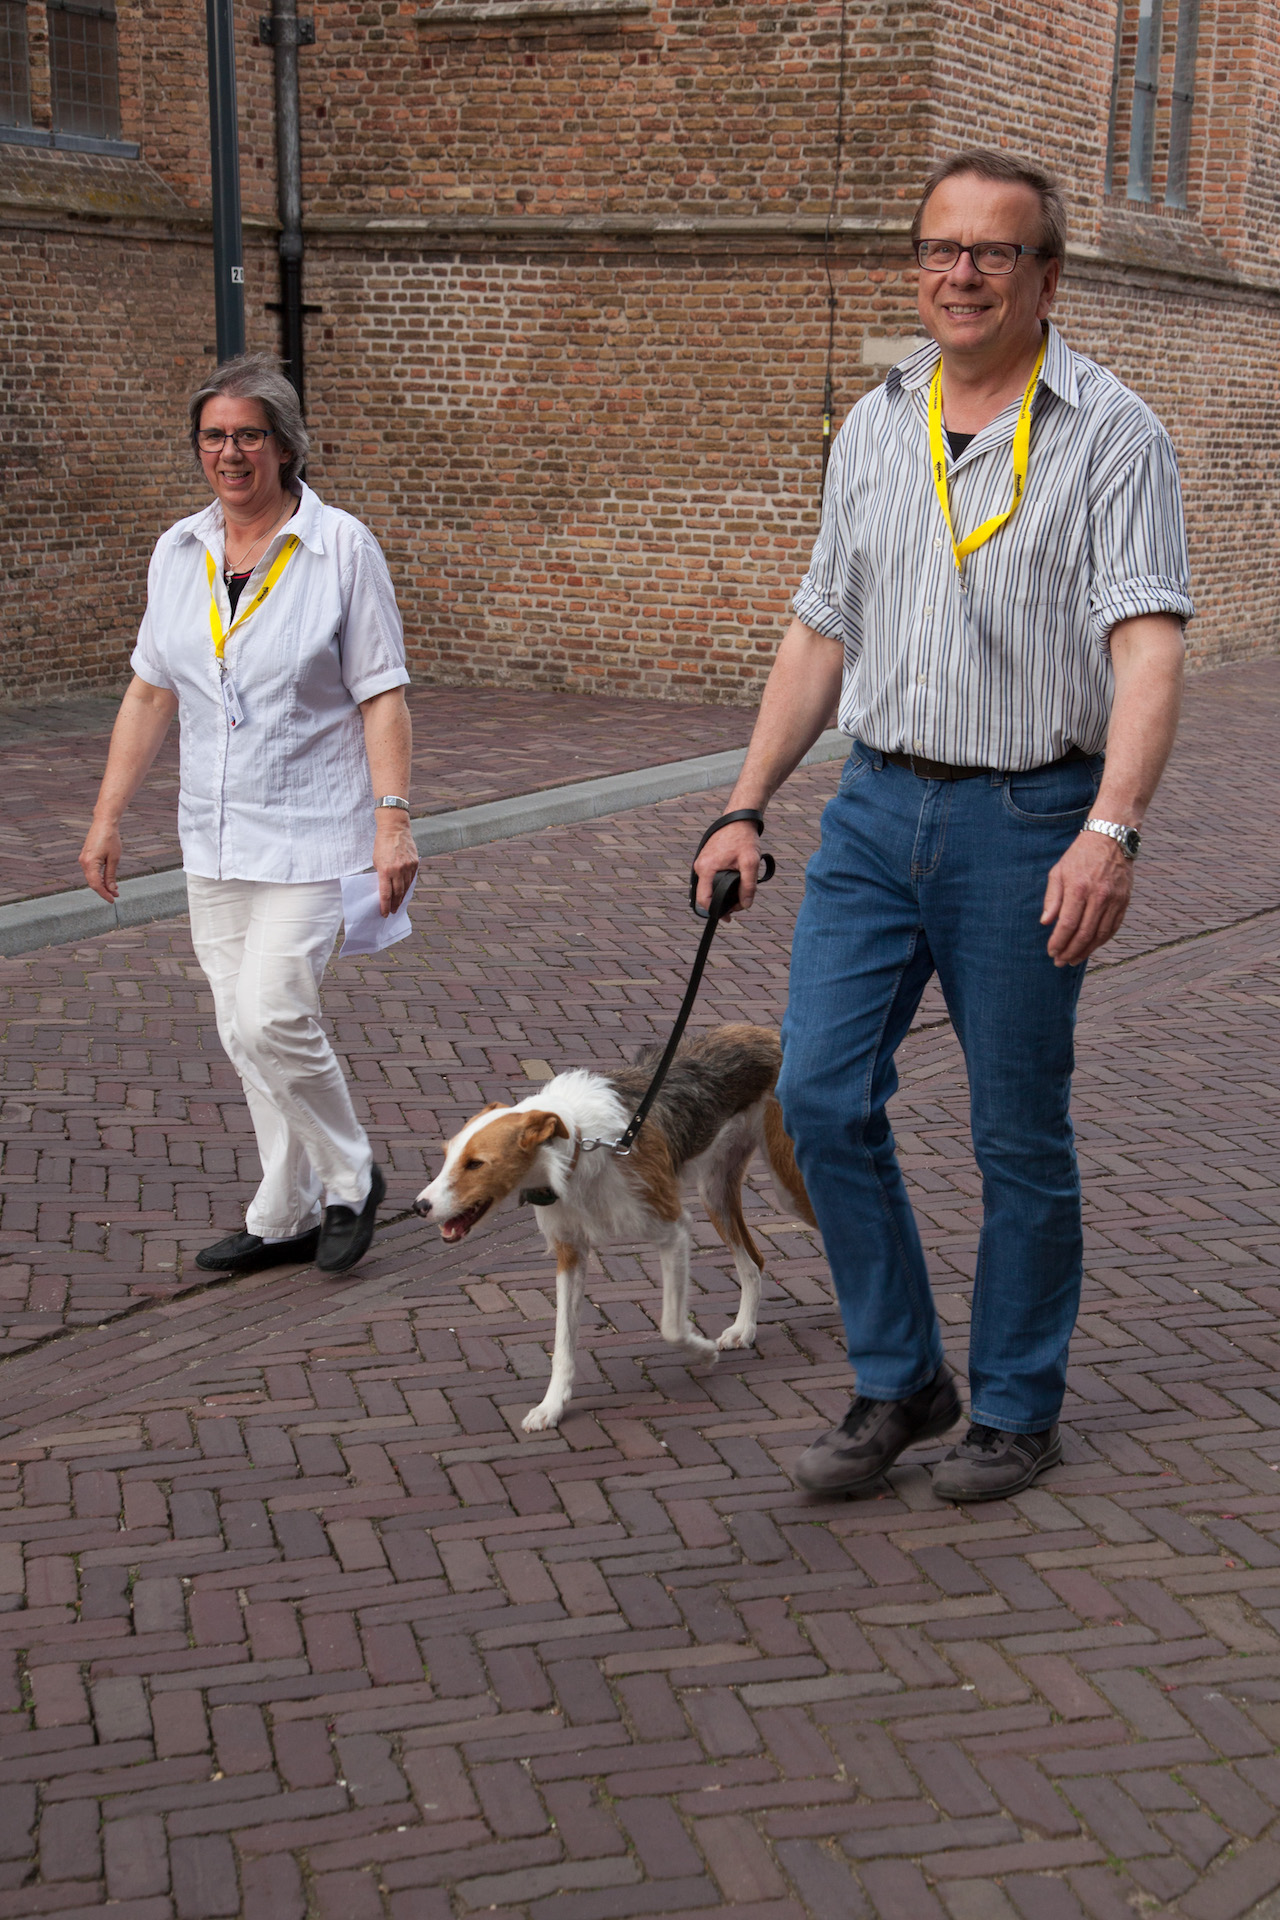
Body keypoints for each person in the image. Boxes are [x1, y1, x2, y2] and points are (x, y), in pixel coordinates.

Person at [693, 150, 1192, 1503]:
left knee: (1014, 1133)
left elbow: (1146, 649)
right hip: (873, 809)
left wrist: (1111, 831)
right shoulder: (877, 422)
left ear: (1047, 277)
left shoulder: (1114, 434)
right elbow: (821, 627)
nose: (960, 273)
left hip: (1029, 818)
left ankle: (1017, 1407)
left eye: (992, 251)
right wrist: (744, 804)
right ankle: (902, 1379)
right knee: (819, 1096)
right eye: (939, 248)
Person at [79, 354, 418, 1278]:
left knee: (273, 1018)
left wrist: (392, 820)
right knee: (240, 1031)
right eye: (213, 437)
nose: (230, 454)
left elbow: (382, 694)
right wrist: (108, 816)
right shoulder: (178, 551)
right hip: (214, 834)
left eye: (249, 436)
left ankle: (351, 1179)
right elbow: (151, 692)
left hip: (315, 830)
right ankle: (285, 1212)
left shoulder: (341, 547)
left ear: (285, 446)